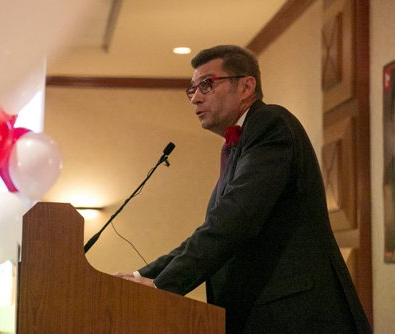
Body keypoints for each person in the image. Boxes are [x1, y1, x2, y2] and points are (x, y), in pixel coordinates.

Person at [115, 45, 371, 333]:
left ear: (247, 86)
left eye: (207, 84)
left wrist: (163, 286)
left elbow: (235, 220)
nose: (196, 97)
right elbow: (214, 227)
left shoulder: (270, 124)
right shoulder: (239, 145)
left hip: (298, 315)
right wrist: (140, 278)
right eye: (192, 90)